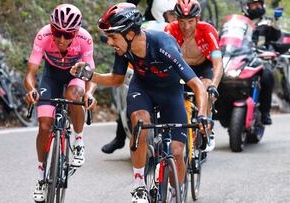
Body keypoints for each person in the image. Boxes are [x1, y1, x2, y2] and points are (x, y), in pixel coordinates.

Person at [70, 3, 209, 202]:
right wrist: (91, 75)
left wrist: (203, 115)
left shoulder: (164, 45)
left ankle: (175, 192)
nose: (109, 43)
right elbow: (117, 79)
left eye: (113, 37)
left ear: (129, 34)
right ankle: (139, 186)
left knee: (178, 152)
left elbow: (197, 85)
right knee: (140, 122)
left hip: (170, 93)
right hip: (142, 89)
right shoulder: (123, 50)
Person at [23, 4, 97, 202]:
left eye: (68, 35)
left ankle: (79, 140)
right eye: (58, 33)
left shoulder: (84, 39)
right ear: (51, 28)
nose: (62, 39)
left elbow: (91, 74)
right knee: (44, 125)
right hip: (51, 76)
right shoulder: (43, 36)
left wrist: (89, 93)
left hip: (76, 75)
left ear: (76, 32)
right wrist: (31, 90)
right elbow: (31, 72)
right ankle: (40, 178)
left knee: (74, 96)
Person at [102, 0, 178, 154]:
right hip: (141, 31)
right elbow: (129, 5)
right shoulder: (147, 27)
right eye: (172, 15)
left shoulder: (183, 24)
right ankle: (121, 135)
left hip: (172, 71)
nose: (175, 19)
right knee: (132, 94)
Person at [164, 0, 223, 152]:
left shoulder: (207, 30)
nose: (186, 26)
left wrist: (213, 86)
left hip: (202, 67)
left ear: (197, 18)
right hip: (180, 67)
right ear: (176, 19)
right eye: (182, 21)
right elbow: (163, 60)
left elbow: (217, 63)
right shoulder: (170, 29)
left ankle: (207, 126)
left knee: (208, 89)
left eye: (190, 21)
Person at [242, 0, 282, 124]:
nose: (256, 7)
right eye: (253, 4)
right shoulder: (239, 21)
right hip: (241, 56)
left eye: (258, 4)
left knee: (267, 76)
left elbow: (276, 36)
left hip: (261, 57)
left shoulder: (268, 21)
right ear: (248, 6)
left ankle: (265, 112)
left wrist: (276, 20)